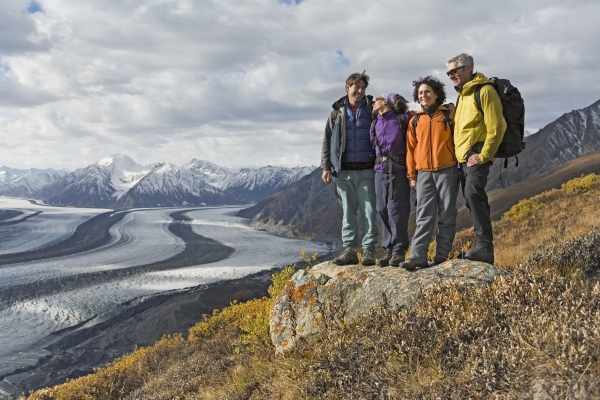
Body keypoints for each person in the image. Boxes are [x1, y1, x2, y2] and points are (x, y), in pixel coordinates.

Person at [446, 53, 506, 264]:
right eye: (448, 72)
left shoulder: (485, 91)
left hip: (476, 155)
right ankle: (483, 246)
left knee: (473, 194)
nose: (451, 75)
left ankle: (484, 247)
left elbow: (497, 126)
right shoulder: (463, 95)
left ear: (467, 68)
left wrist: (484, 155)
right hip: (462, 158)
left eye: (454, 71)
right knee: (472, 200)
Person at [400, 76, 458, 271]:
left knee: (447, 212)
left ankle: (442, 253)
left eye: (427, 92)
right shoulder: (416, 120)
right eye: (420, 93)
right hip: (423, 173)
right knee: (424, 215)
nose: (423, 95)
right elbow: (410, 150)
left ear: (436, 94)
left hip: (447, 169)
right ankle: (418, 256)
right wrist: (411, 176)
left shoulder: (449, 115)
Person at [321, 71, 378, 266]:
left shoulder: (372, 110)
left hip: (368, 169)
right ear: (348, 88)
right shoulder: (336, 114)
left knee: (369, 211)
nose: (360, 91)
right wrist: (326, 167)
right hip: (343, 171)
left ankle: (369, 250)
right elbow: (327, 142)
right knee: (348, 213)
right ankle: (350, 250)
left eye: (363, 88)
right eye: (357, 87)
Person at [370, 93, 412, 267]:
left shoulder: (403, 119)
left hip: (398, 171)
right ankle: (388, 248)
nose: (373, 103)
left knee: (396, 209)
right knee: (381, 208)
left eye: (377, 99)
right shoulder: (374, 123)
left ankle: (399, 250)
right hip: (380, 172)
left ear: (385, 102)